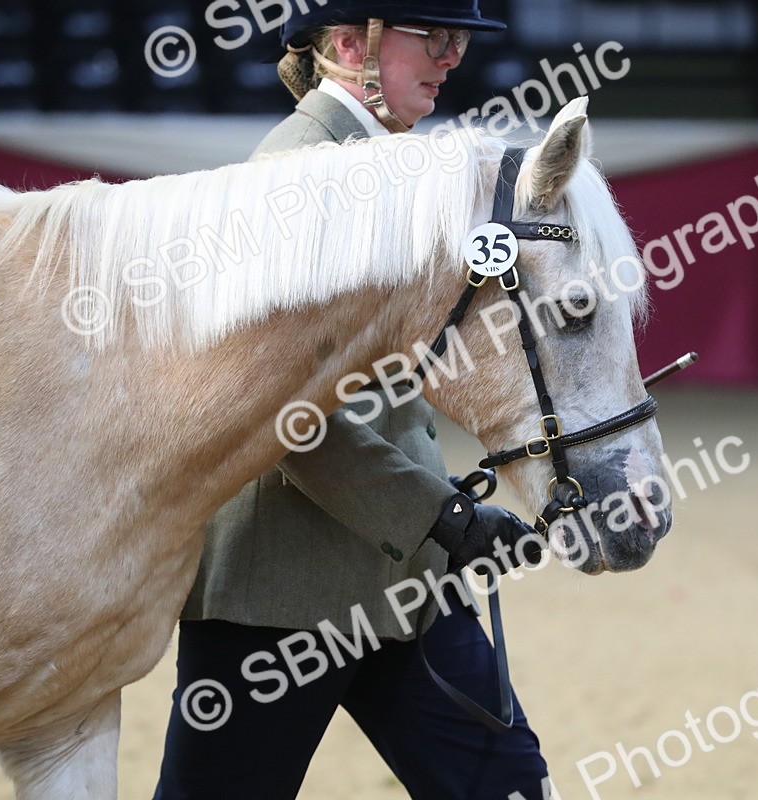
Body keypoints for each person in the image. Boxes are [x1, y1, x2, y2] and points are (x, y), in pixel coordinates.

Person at [152, 3, 552, 798]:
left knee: (507, 784)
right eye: (432, 39)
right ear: (347, 46)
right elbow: (287, 419)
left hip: (407, 586)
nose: (450, 58)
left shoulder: (389, 167)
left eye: (459, 41)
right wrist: (440, 513)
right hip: (280, 598)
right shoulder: (290, 178)